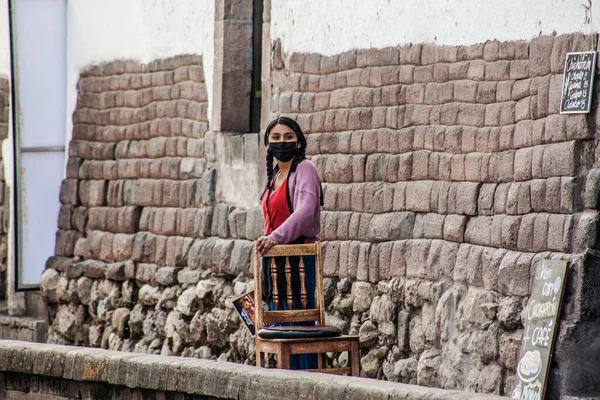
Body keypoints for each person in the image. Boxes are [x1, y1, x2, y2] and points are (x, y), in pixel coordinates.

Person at [254, 116, 322, 370]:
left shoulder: (304, 169)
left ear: (299, 142)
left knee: (300, 329)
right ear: (268, 144)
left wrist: (274, 238)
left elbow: (304, 214)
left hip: (300, 260)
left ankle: (309, 385)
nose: (282, 142)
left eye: (288, 137)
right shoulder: (275, 177)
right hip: (276, 264)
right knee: (281, 329)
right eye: (276, 138)